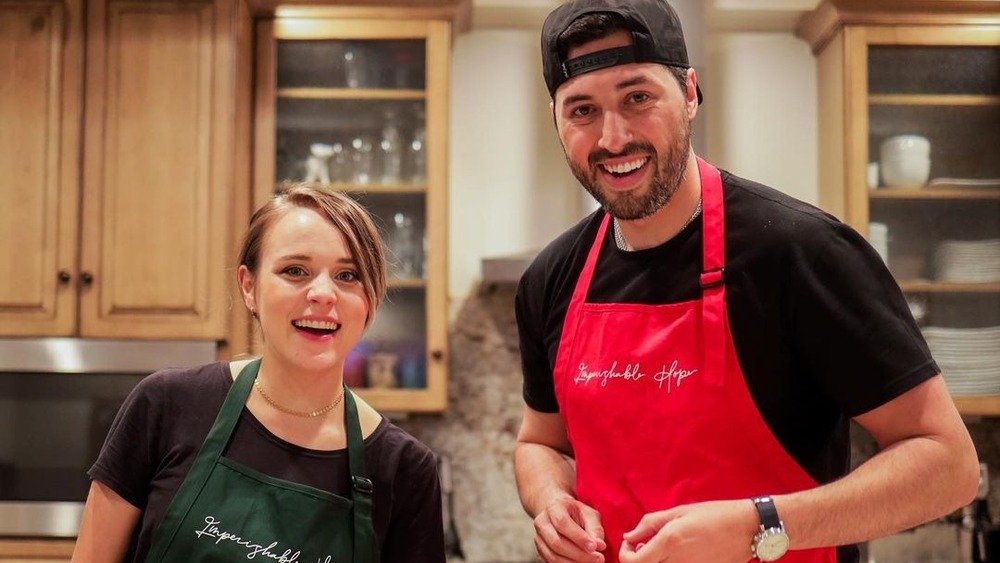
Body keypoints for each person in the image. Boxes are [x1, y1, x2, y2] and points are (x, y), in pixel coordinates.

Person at [512, 1, 980, 562]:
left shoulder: (801, 253)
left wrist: (761, 526)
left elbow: (947, 465)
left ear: (689, 94)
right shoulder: (551, 278)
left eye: (638, 98)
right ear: (556, 120)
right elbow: (540, 442)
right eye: (582, 110)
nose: (613, 139)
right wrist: (551, 501)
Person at [71, 184, 444, 563]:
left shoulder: (405, 469)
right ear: (249, 287)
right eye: (295, 270)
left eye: (348, 276)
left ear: (371, 301)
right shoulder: (166, 405)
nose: (323, 293)